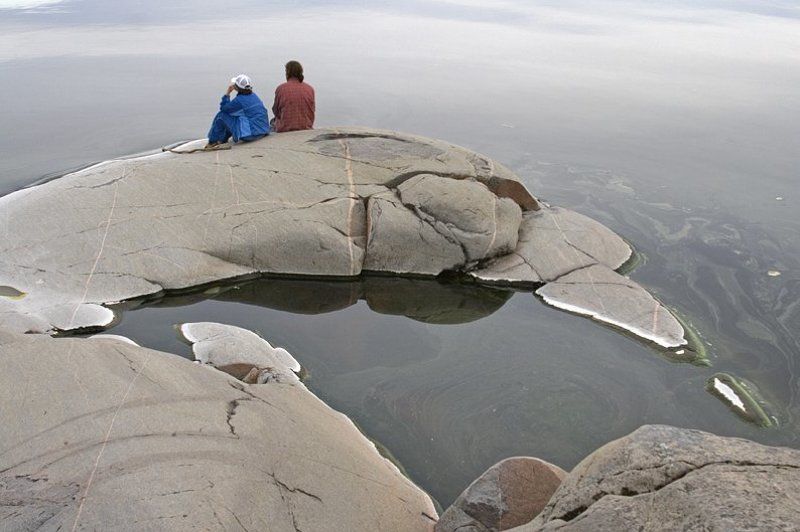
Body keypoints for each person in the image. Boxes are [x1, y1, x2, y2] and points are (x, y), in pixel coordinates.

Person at [205, 74, 269, 149]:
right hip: (263, 131)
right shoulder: (254, 96)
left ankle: (212, 142)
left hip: (251, 135)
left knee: (221, 116)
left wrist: (227, 93)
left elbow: (224, 109)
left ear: (236, 87)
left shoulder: (239, 101)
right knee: (233, 117)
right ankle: (223, 139)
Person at [272, 60, 315, 132]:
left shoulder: (281, 88)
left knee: (272, 122)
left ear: (287, 73)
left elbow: (276, 111)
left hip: (285, 128)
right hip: (306, 126)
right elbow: (312, 110)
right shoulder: (310, 88)